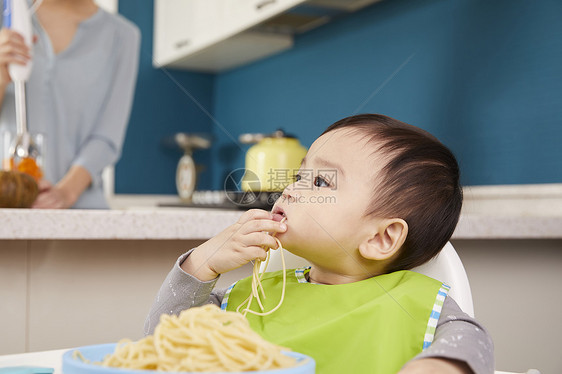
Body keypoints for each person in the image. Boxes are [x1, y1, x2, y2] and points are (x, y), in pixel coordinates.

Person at [145, 114, 494, 374]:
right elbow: (162, 345)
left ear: (381, 238)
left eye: (322, 181)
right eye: (299, 175)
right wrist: (203, 263)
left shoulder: (419, 305)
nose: (292, 188)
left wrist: (440, 366)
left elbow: (469, 345)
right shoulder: (253, 298)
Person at [0, 0, 140, 208]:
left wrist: (66, 193)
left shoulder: (124, 35)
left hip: (79, 212)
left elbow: (106, 137)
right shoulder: (7, 15)